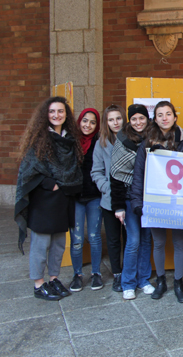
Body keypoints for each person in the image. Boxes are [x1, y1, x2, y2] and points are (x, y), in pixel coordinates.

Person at [15, 97, 83, 300]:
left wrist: (64, 185)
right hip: (44, 200)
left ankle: (53, 279)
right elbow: (29, 170)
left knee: (59, 244)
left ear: (66, 114)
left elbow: (73, 168)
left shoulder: (69, 138)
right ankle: (38, 284)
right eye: (52, 111)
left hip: (63, 198)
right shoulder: (39, 138)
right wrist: (50, 184)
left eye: (61, 111)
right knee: (40, 243)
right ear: (46, 114)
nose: (56, 115)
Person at [131, 101, 183, 303]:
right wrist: (137, 202)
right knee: (158, 243)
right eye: (160, 114)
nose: (164, 118)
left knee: (178, 243)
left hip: (178, 201)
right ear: (154, 119)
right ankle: (161, 281)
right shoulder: (146, 144)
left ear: (175, 117)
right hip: (155, 201)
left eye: (168, 114)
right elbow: (138, 174)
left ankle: (178, 282)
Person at [111, 104, 153, 300]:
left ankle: (143, 280)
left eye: (142, 118)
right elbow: (116, 175)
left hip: (150, 197)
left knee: (146, 240)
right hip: (128, 198)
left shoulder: (153, 137)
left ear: (147, 119)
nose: (138, 122)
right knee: (133, 240)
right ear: (129, 120)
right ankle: (127, 283)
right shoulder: (122, 139)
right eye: (134, 119)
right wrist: (118, 206)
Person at [91, 105, 127, 292]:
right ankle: (117, 274)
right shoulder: (101, 143)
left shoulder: (131, 139)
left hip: (128, 198)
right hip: (109, 200)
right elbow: (96, 171)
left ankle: (129, 272)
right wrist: (107, 189)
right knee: (113, 239)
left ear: (124, 119)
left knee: (130, 239)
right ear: (106, 122)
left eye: (118, 118)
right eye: (111, 119)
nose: (115, 123)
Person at [69, 108, 103, 292]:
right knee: (77, 238)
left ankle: (96, 273)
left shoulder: (100, 142)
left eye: (92, 122)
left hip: (94, 197)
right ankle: (77, 274)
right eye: (85, 121)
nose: (87, 125)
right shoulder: (71, 142)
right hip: (75, 198)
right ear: (79, 121)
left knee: (94, 236)